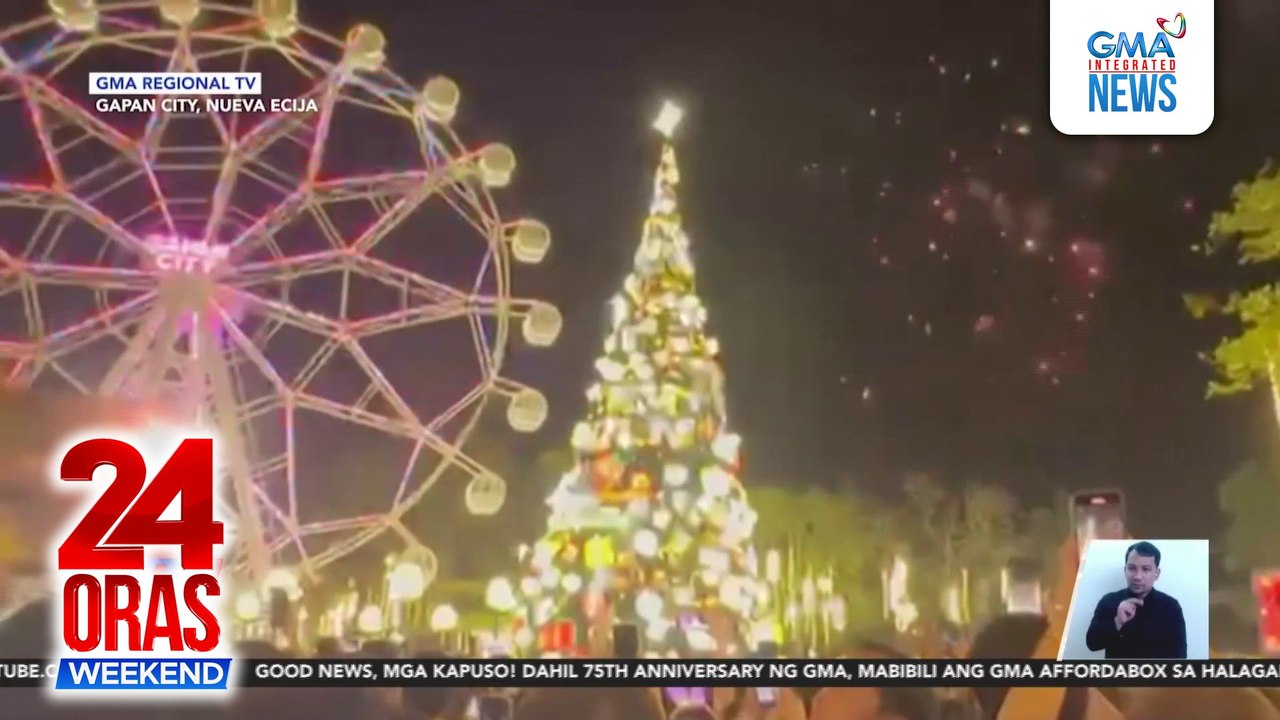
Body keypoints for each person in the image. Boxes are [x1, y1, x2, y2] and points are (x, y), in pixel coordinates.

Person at [1084, 541, 1187, 659]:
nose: (1137, 576)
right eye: (1132, 568)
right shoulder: (1109, 601)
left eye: (1146, 569)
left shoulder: (1171, 606)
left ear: (1157, 573)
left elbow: (1180, 655)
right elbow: (1092, 644)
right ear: (1125, 570)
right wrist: (1117, 622)